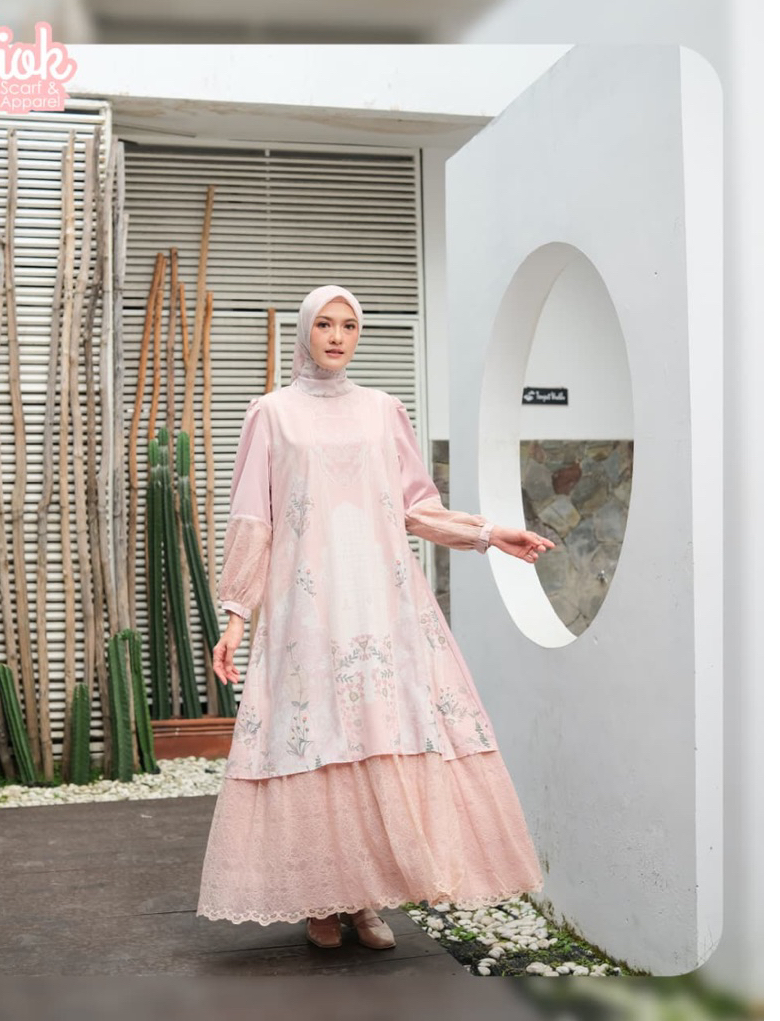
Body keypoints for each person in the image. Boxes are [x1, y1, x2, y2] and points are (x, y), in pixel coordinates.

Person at [195, 285, 553, 950]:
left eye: (350, 325)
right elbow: (253, 518)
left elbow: (415, 506)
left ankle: (365, 901)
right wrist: (237, 614)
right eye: (325, 325)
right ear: (306, 332)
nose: (337, 336)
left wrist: (489, 533)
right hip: (307, 610)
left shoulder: (383, 410)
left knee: (375, 740)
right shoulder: (272, 414)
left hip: (381, 607)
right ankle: (321, 902)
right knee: (320, 746)